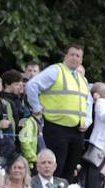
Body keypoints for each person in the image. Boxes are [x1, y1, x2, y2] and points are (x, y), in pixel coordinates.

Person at [26, 45, 90, 179]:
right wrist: (37, 108)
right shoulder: (56, 70)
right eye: (72, 54)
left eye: (78, 56)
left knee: (70, 170)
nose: (75, 58)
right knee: (56, 168)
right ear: (65, 56)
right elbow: (32, 85)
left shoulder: (82, 79)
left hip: (77, 131)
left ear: (81, 60)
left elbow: (88, 102)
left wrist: (87, 121)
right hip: (56, 128)